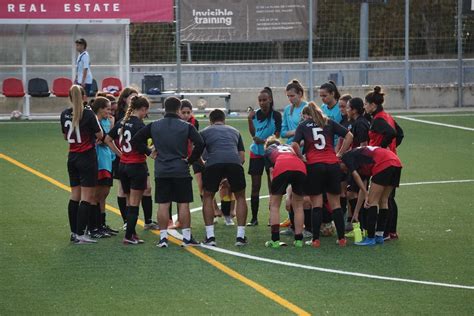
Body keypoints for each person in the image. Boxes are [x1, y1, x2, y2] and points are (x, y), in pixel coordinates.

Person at [131, 96, 205, 248]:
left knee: (163, 204)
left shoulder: (154, 125)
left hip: (162, 170)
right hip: (181, 170)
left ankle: (163, 238)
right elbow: (200, 143)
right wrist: (190, 160)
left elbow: (135, 140)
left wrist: (149, 152)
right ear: (178, 110)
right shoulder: (186, 126)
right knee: (183, 203)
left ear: (165, 108)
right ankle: (186, 238)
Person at [292, 102, 353, 248]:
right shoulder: (328, 122)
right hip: (332, 165)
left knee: (316, 204)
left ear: (306, 114)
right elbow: (349, 136)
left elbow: (294, 145)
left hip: (314, 165)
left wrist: (302, 157)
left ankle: (316, 240)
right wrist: (340, 153)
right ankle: (342, 239)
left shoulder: (303, 125)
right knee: (336, 204)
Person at [106, 96, 153, 245]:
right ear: (143, 109)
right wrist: (150, 151)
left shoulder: (122, 121)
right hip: (136, 166)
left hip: (123, 166)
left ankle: (131, 232)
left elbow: (107, 139)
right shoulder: (140, 125)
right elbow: (138, 144)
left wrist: (119, 154)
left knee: (128, 200)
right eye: (146, 111)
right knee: (134, 203)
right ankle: (129, 236)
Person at [60, 85, 103, 244]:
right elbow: (100, 134)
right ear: (84, 97)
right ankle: (80, 233)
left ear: (70, 97)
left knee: (74, 196)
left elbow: (66, 136)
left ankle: (74, 232)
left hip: (72, 158)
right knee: (87, 197)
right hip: (87, 158)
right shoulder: (89, 114)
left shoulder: (64, 114)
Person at [199, 109, 248, 247]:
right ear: (224, 120)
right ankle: (240, 236)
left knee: (208, 196)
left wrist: (204, 165)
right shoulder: (235, 131)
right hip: (234, 163)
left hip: (213, 163)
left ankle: (210, 237)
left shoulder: (204, 132)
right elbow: (242, 157)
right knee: (240, 197)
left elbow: (198, 154)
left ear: (210, 121)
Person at [340, 146, 402, 246]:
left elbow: (356, 176)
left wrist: (366, 194)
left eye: (342, 169)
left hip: (384, 163)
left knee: (372, 202)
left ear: (339, 162)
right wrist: (356, 212)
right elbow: (362, 186)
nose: (345, 171)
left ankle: (370, 237)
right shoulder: (361, 162)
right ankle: (379, 236)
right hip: (396, 162)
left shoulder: (347, 157)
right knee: (383, 200)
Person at [364, 86, 404, 240]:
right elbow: (400, 134)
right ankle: (389, 231)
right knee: (388, 199)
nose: (365, 107)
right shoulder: (387, 116)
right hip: (393, 160)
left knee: (380, 199)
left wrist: (381, 148)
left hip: (383, 162)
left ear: (373, 105)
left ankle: (384, 232)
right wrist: (391, 148)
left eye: (366, 104)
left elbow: (392, 133)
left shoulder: (378, 120)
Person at [247, 87, 282, 226]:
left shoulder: (276, 115)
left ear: (270, 100)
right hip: (255, 152)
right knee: (255, 186)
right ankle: (254, 218)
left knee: (271, 185)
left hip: (271, 154)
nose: (262, 102)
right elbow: (253, 134)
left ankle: (271, 218)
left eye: (264, 100)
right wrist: (249, 120)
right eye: (260, 100)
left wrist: (264, 141)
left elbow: (277, 136)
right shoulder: (254, 115)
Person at [263, 137, 307, 248]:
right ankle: (298, 240)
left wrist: (274, 193)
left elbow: (272, 172)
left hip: (282, 166)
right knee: (298, 206)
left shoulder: (268, 151)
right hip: (300, 168)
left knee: (274, 206)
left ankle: (275, 240)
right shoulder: (288, 147)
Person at [89, 97, 121, 238]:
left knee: (104, 193)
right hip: (99, 160)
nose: (110, 111)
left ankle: (101, 224)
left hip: (108, 159)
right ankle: (94, 226)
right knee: (97, 194)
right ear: (100, 109)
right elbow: (101, 140)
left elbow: (107, 139)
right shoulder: (94, 120)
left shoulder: (110, 120)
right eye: (107, 108)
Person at [280, 79, 308, 228]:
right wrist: (297, 134)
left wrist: (299, 139)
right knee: (290, 188)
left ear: (300, 94)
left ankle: (305, 224)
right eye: (288, 96)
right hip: (290, 151)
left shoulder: (308, 108)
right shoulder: (287, 110)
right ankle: (293, 221)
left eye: (292, 96)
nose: (290, 99)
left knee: (302, 189)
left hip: (304, 151)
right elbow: (283, 132)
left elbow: (309, 131)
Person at [345, 97, 370, 228]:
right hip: (356, 162)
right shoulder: (357, 122)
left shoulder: (360, 124)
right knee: (351, 193)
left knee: (357, 193)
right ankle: (355, 220)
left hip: (360, 164)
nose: (346, 111)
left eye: (348, 108)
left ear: (354, 110)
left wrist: (356, 162)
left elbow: (363, 145)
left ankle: (360, 222)